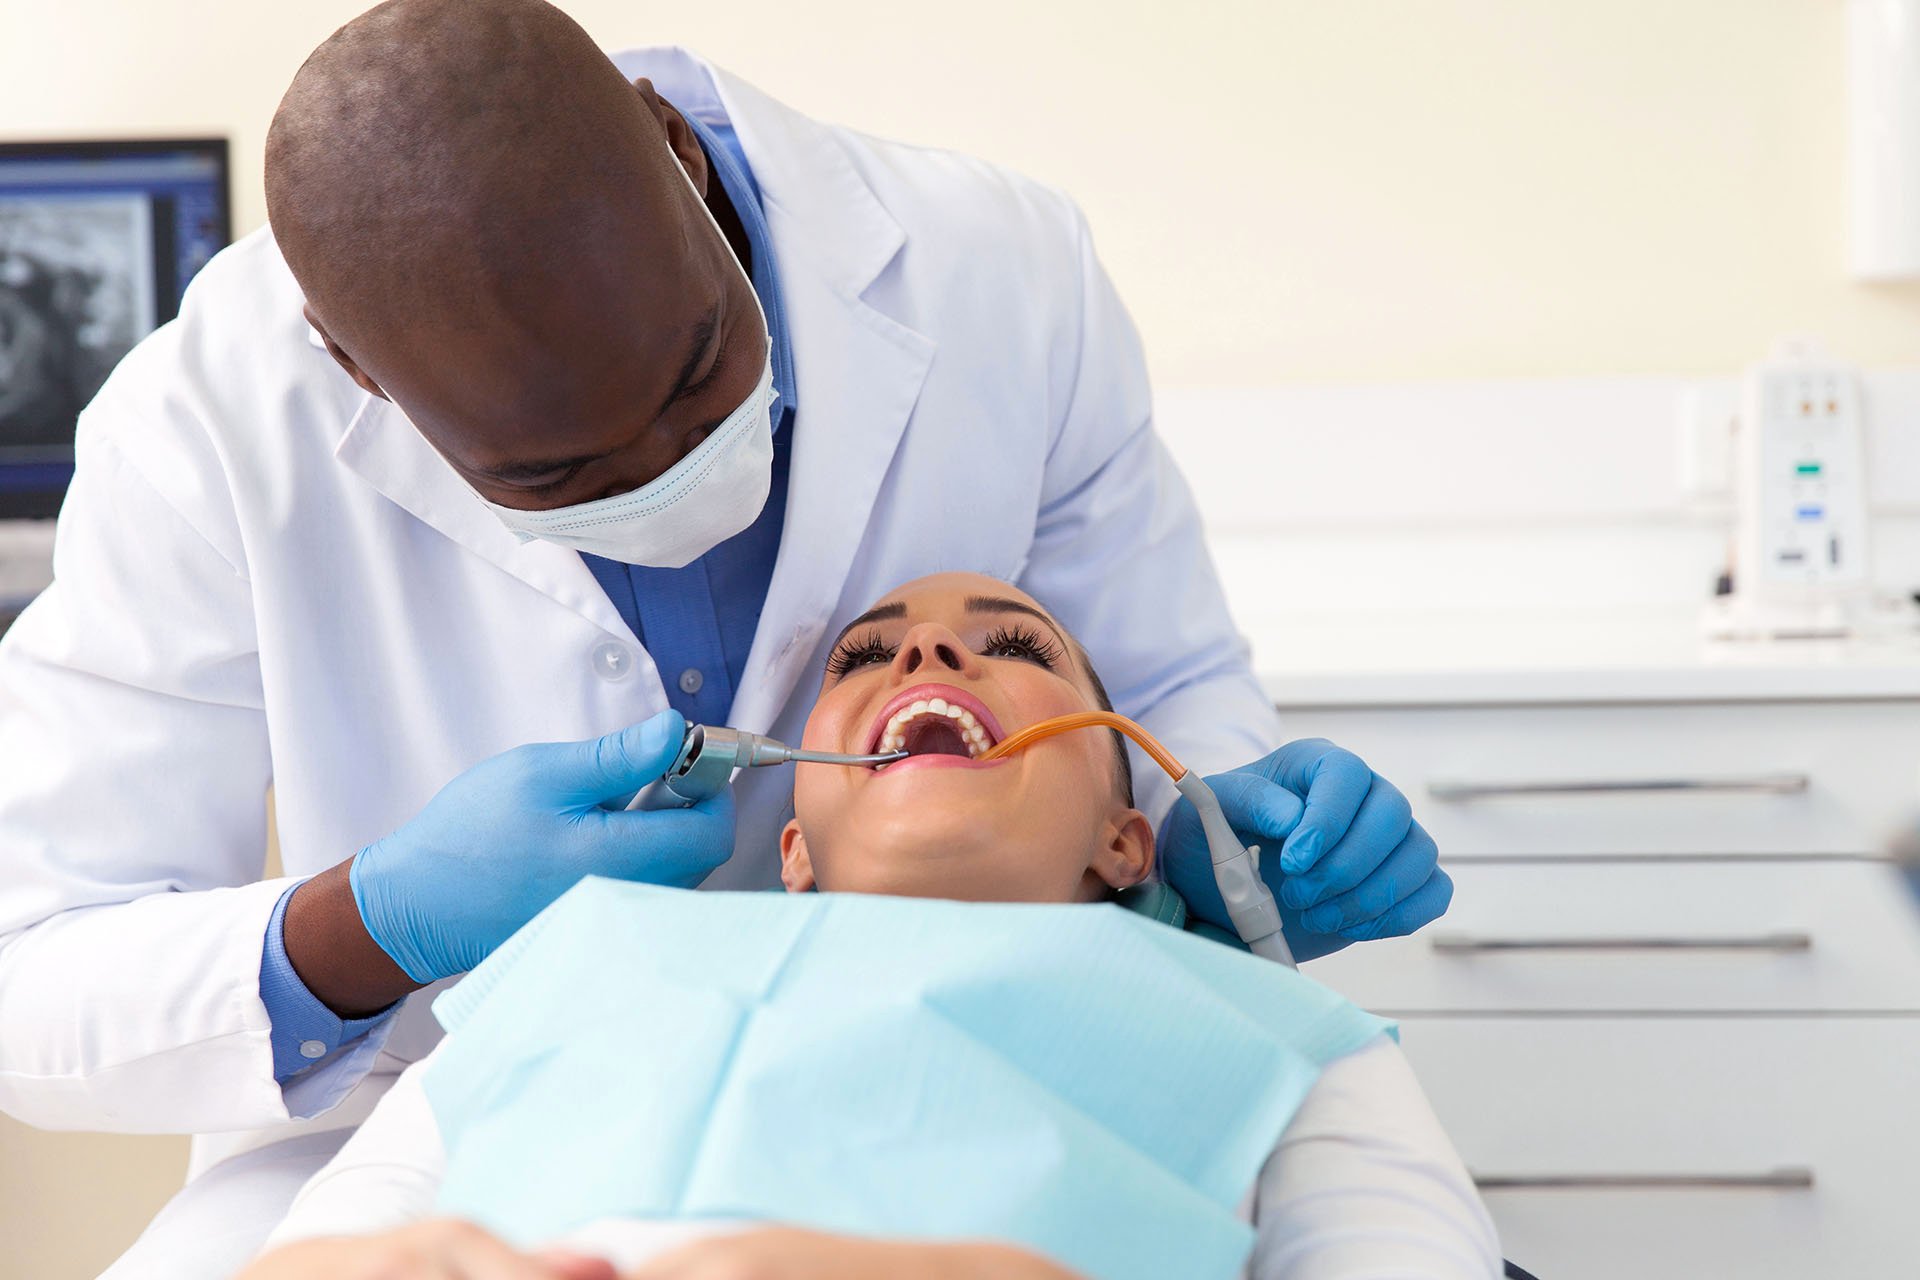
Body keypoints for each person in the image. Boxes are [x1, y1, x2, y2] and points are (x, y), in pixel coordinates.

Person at [0, 2, 1449, 1274]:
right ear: (353, 375)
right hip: (455, 1104)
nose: (668, 470)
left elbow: (1169, 689)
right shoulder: (202, 427)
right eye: (558, 477)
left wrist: (1212, 850)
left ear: (684, 167)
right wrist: (370, 924)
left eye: (701, 375)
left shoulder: (1000, 272)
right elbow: (35, 974)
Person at [239, 573, 1500, 1280]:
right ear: (792, 846)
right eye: (862, 656)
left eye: (1013, 646)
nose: (934, 648)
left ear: (1129, 837)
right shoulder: (568, 966)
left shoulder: (1285, 1036)